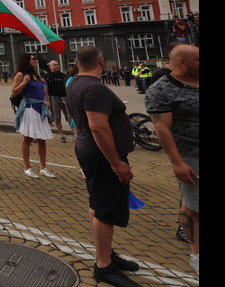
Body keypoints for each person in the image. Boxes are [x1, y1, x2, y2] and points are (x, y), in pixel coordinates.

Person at [67, 46, 141, 287]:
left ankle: (106, 253)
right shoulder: (94, 87)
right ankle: (103, 266)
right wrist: (116, 162)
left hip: (89, 150)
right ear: (101, 60)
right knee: (105, 208)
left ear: (77, 63)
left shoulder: (76, 82)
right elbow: (98, 127)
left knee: (96, 201)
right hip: (102, 156)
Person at [144, 45, 199, 274]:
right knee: (193, 203)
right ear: (182, 62)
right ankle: (196, 253)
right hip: (190, 153)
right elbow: (162, 128)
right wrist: (177, 162)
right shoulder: (161, 89)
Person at [12, 54, 56, 179]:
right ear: (27, 61)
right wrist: (24, 83)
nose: (35, 61)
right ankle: (27, 168)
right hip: (29, 109)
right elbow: (14, 92)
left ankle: (43, 167)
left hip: (40, 108)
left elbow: (42, 91)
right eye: (33, 59)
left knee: (42, 139)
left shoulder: (36, 75)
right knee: (27, 139)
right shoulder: (21, 75)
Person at [43, 60, 73, 142]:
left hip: (64, 96)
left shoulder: (63, 75)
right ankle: (62, 135)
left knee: (70, 115)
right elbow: (45, 89)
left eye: (57, 64)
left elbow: (68, 86)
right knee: (56, 117)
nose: (57, 66)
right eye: (54, 65)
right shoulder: (47, 76)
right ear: (50, 67)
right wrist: (47, 100)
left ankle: (75, 134)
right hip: (53, 97)